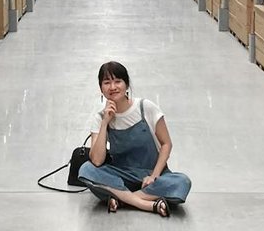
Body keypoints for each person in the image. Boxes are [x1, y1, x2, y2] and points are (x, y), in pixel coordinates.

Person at [80, 60, 192, 216]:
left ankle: (120, 198)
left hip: (152, 175)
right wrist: (105, 122)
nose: (112, 87)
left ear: (126, 84)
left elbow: (166, 144)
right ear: (101, 88)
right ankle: (148, 204)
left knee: (182, 182)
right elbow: (97, 161)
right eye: (107, 82)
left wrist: (154, 175)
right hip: (121, 175)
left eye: (117, 81)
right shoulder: (100, 117)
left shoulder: (146, 107)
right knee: (86, 170)